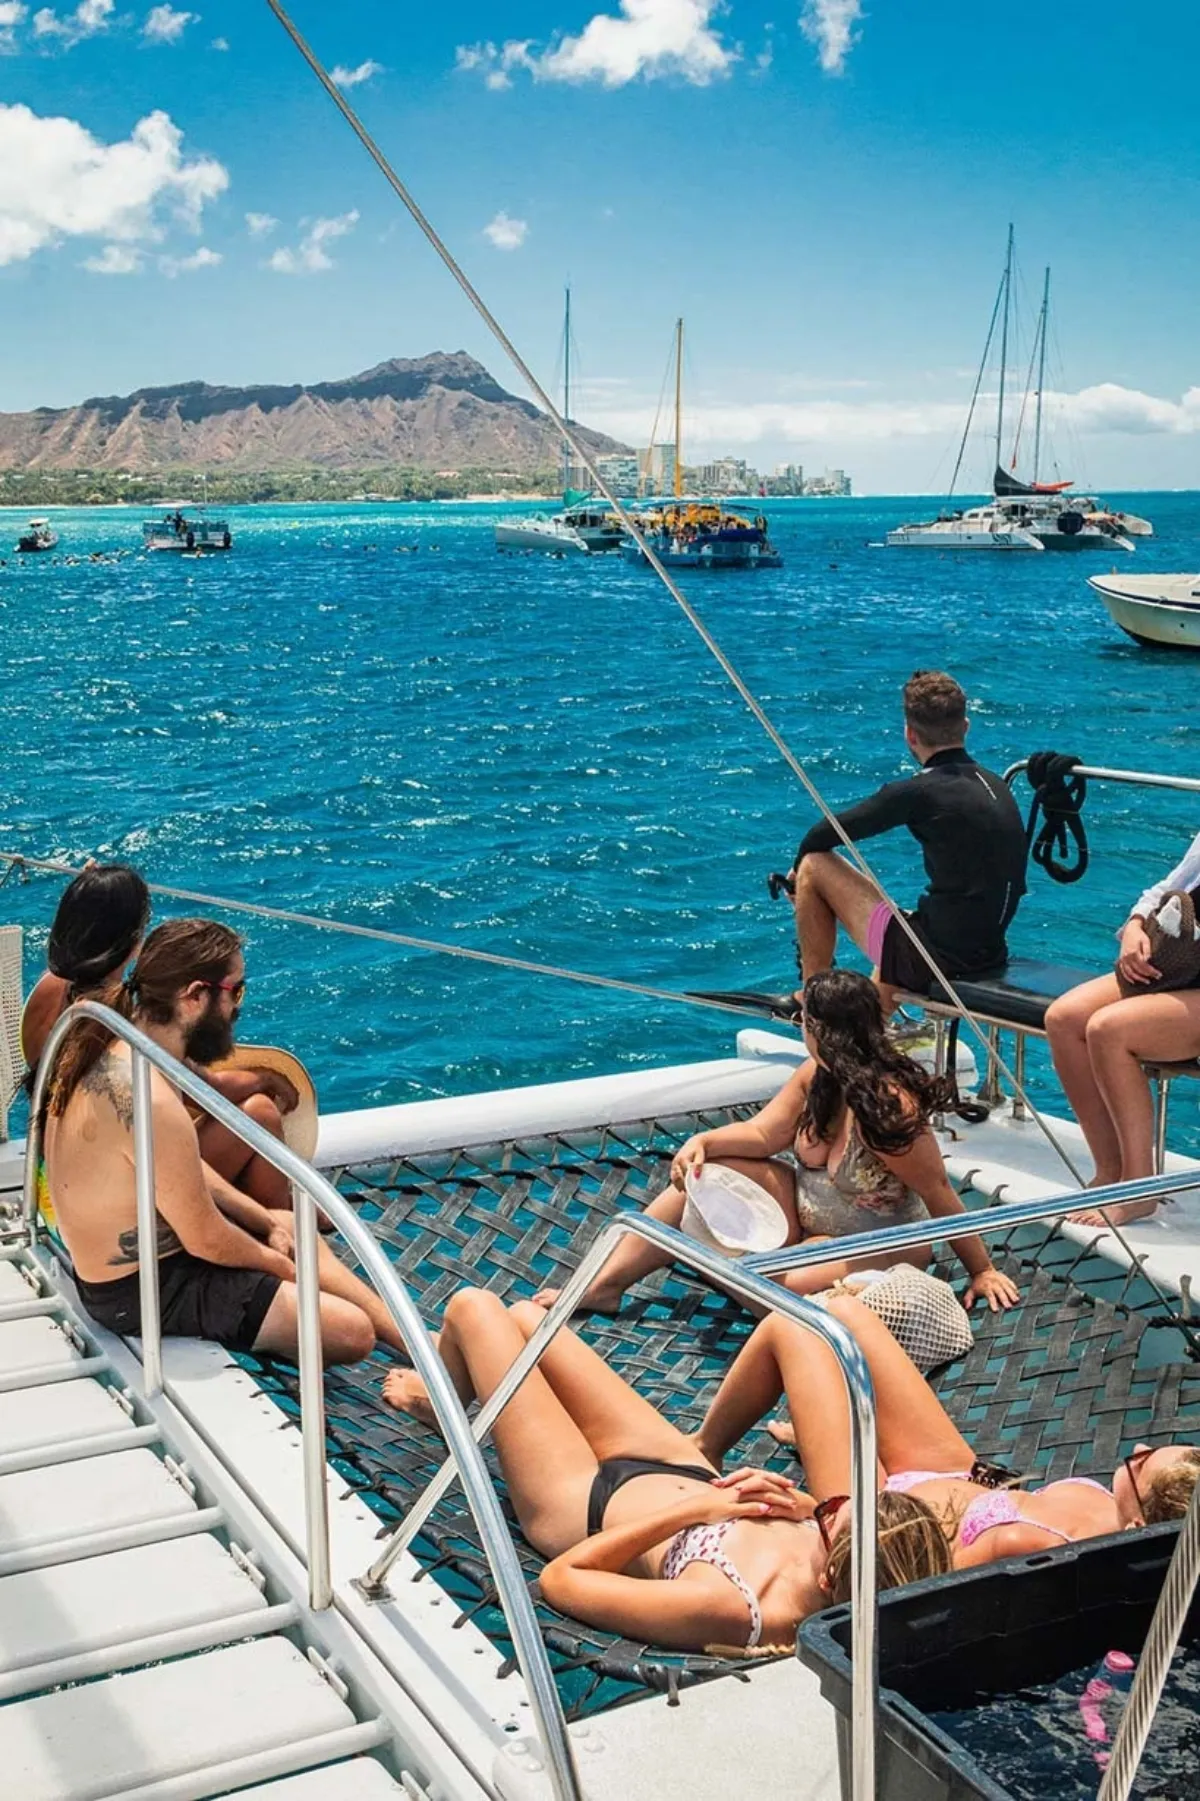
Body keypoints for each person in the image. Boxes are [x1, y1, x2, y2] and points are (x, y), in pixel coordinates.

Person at [534, 971, 1018, 1315]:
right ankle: (604, 1287)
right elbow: (764, 1135)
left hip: (877, 1245)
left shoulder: (887, 1107)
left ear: (820, 1029)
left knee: (770, 1286)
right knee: (698, 1179)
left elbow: (938, 1193)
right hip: (806, 1219)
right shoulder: (816, 1075)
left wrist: (982, 1270)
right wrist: (703, 1141)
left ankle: (724, 1262)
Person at [381, 1288, 829, 1652]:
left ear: (828, 1578)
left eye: (834, 1521)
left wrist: (695, 1512)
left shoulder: (732, 1607)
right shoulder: (850, 1545)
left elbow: (561, 1580)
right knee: (526, 1319)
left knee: (472, 1308)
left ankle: (442, 1405)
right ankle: (454, 1388)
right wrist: (806, 1506)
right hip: (681, 1468)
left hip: (584, 1504)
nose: (836, 1512)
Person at [42, 917, 405, 1361]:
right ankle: (383, 1335)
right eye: (237, 991)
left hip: (134, 1263)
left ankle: (415, 1342)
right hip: (139, 1291)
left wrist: (266, 1222)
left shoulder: (123, 1045)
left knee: (289, 1225)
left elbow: (183, 1170)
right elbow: (205, 1238)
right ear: (195, 996)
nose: (237, 1007)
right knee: (351, 1332)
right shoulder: (152, 1098)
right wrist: (283, 1268)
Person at [696, 1294, 1200, 1598]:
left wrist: (824, 1514)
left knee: (793, 1326)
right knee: (843, 1311)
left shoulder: (1047, 1551)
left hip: (877, 1516)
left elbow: (917, 1579)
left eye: (1140, 1464)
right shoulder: (1111, 1514)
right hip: (957, 1476)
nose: (1136, 1446)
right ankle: (820, 1427)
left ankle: (704, 1447)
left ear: (1139, 1528)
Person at [23, 864, 305, 1213]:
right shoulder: (120, 1024)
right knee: (260, 1113)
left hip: (52, 1189)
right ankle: (283, 1222)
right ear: (135, 942)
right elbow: (205, 1091)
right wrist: (265, 1078)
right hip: (107, 1203)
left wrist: (91, 890)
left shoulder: (49, 990)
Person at [789, 670, 1027, 1009]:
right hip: (987, 951)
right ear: (965, 727)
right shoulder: (997, 784)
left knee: (814, 865)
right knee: (903, 935)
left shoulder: (917, 791)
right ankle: (866, 1033)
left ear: (910, 735)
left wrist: (796, 879)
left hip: (936, 960)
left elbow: (820, 835)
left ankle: (811, 1005)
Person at [1045, 834, 1200, 1225]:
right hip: (1182, 967)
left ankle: (1138, 1189)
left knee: (1109, 1029)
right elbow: (1170, 885)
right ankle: (1110, 1171)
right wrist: (1135, 925)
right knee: (1064, 1019)